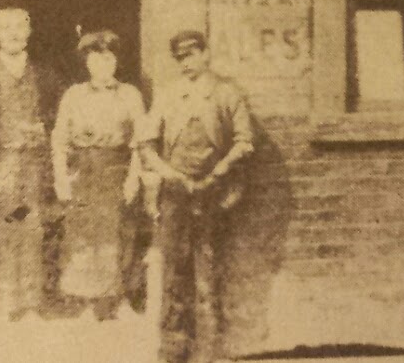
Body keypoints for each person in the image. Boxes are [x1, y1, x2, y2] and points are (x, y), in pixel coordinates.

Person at [141, 29, 255, 363]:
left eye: (191, 55)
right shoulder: (168, 94)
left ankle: (211, 348)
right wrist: (168, 173)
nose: (186, 63)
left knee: (209, 266)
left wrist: (218, 172)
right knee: (175, 269)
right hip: (176, 192)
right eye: (180, 58)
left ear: (205, 54)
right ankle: (174, 349)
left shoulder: (226, 93)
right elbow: (146, 142)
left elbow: (244, 141)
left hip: (213, 192)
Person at [0, 7, 59, 321]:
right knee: (7, 225)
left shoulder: (43, 76)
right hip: (3, 163)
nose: (13, 33)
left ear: (29, 32)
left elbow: (56, 120)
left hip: (33, 164)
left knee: (31, 226)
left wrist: (43, 131)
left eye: (20, 27)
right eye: (5, 28)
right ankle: (6, 299)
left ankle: (31, 302)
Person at [51, 30, 146, 320]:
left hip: (114, 168)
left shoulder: (129, 94)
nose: (102, 65)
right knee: (81, 233)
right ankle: (83, 298)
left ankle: (112, 298)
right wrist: (60, 176)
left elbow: (141, 140)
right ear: (87, 63)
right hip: (82, 170)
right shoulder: (74, 94)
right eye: (95, 59)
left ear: (115, 61)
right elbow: (59, 139)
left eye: (108, 59)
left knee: (114, 233)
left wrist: (133, 177)